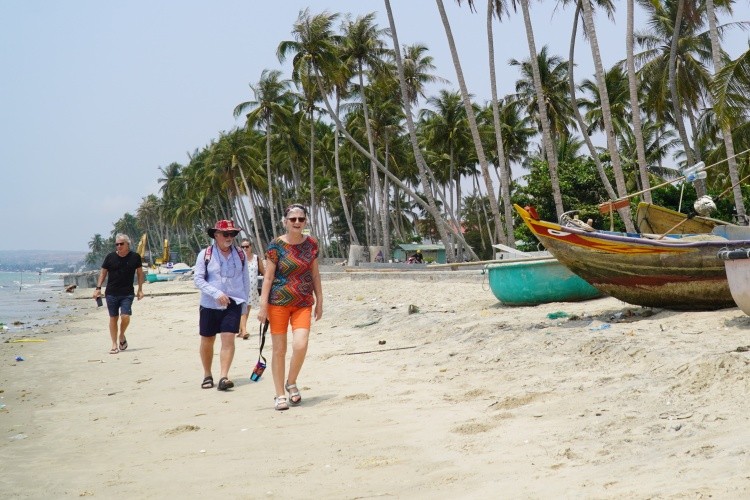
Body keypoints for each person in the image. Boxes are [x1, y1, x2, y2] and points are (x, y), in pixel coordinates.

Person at [258, 204, 323, 411]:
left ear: (305, 221)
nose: (297, 222)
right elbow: (268, 276)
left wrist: (319, 299)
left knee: (300, 345)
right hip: (277, 303)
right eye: (293, 219)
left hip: (303, 303)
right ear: (285, 221)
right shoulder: (275, 245)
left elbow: (314, 274)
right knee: (279, 350)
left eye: (301, 219)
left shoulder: (311, 244)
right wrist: (262, 305)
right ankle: (279, 395)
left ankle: (291, 381)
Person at [194, 220, 250, 391]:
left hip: (233, 304)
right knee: (207, 340)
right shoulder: (205, 254)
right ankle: (207, 374)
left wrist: (244, 304)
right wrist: (216, 293)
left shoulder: (240, 254)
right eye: (226, 234)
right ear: (216, 235)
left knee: (228, 338)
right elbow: (198, 279)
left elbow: (245, 280)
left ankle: (224, 376)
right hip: (209, 305)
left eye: (232, 234)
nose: (229, 237)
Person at [93, 234, 145, 354]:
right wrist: (98, 288)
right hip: (111, 293)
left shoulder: (135, 257)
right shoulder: (110, 257)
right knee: (113, 318)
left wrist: (140, 289)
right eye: (117, 244)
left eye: (121, 244)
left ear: (128, 244)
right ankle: (114, 344)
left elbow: (140, 274)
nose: (119, 246)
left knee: (125, 316)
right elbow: (103, 273)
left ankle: (121, 335)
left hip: (127, 293)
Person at [238, 238, 265, 340]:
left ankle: (241, 330)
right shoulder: (239, 259)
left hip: (253, 289)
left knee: (247, 309)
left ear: (250, 247)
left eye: (247, 246)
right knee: (243, 309)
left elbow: (263, 271)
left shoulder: (256, 258)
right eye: (243, 247)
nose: (245, 248)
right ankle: (244, 331)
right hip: (241, 288)